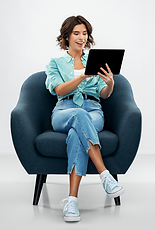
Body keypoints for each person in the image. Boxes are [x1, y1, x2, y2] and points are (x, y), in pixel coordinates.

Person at [45, 15, 124, 222]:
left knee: (75, 134)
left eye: (85, 33)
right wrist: (81, 77)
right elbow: (58, 89)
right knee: (78, 116)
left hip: (93, 110)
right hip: (64, 109)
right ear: (67, 36)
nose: (81, 37)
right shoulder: (55, 63)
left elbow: (104, 94)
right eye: (76, 33)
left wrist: (110, 84)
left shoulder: (95, 62)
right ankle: (104, 174)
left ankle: (72, 201)